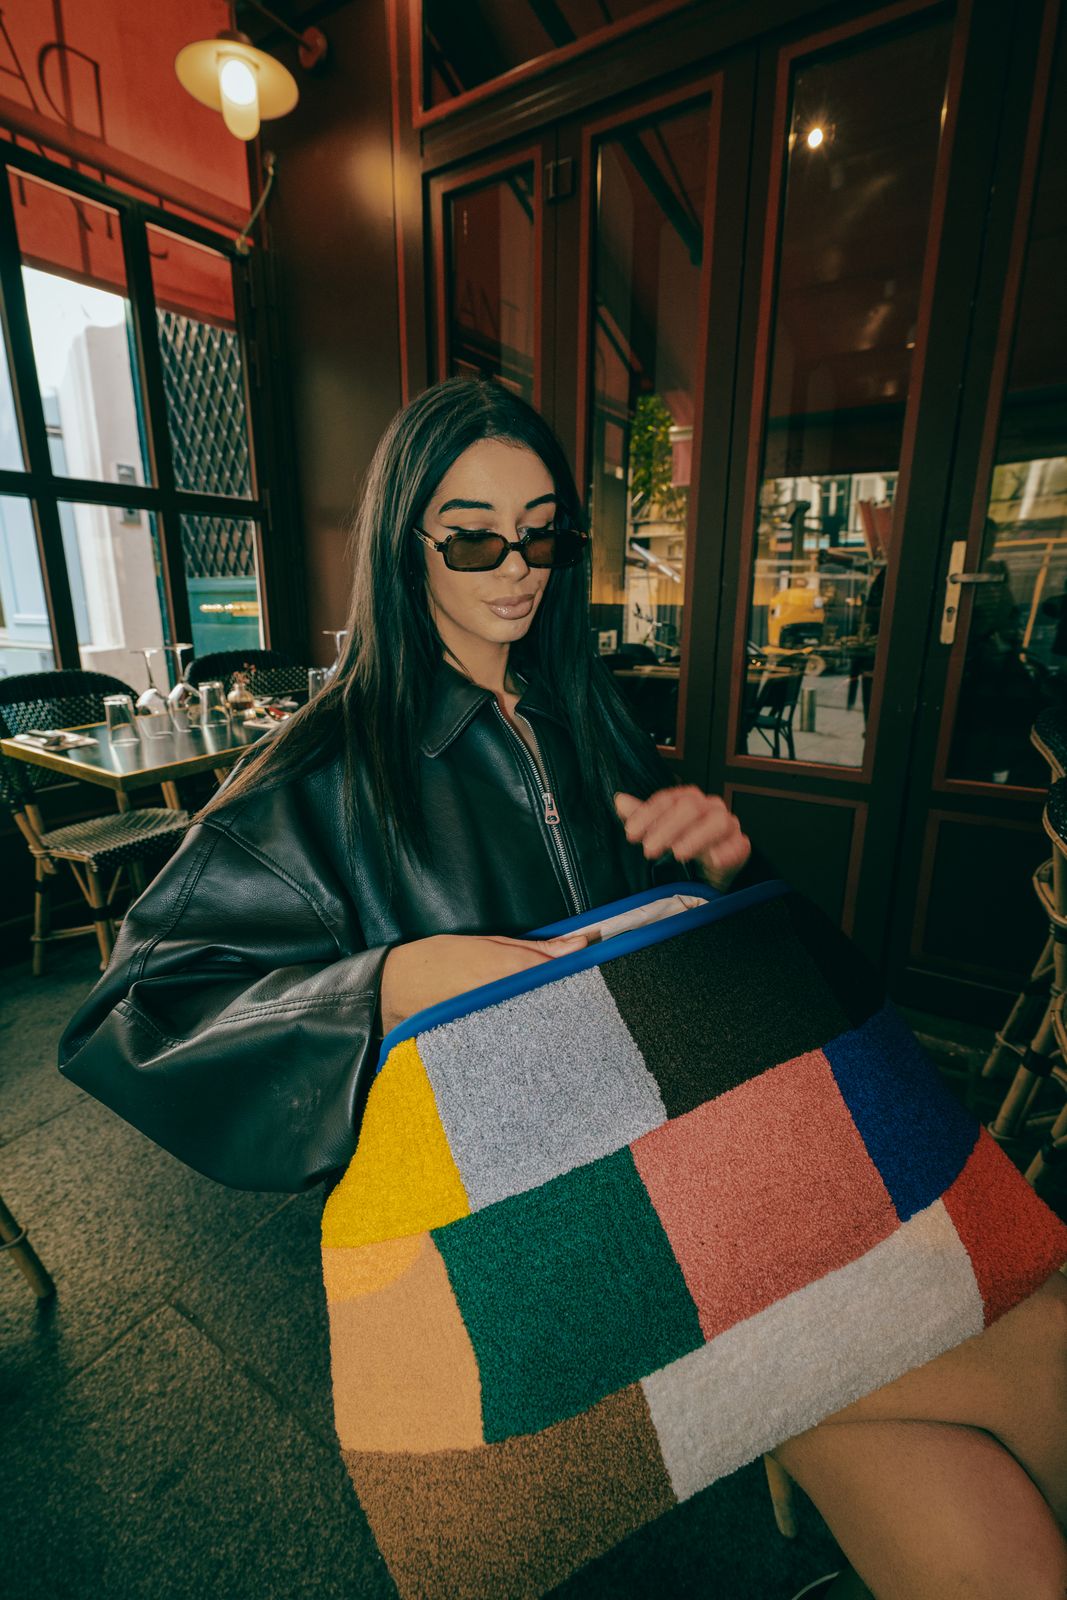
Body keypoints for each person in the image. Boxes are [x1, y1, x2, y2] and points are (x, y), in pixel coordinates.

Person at [59, 378, 1067, 1600]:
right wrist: (384, 980)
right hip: (547, 1247)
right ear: (402, 542)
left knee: (934, 1438)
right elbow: (129, 1013)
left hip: (707, 1173)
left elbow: (665, 946)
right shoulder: (318, 772)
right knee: (1025, 1343)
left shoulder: (577, 714)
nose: (517, 566)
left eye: (541, 531)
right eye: (473, 533)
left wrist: (717, 863)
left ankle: (786, 1424)